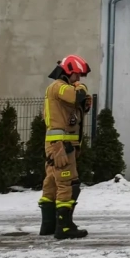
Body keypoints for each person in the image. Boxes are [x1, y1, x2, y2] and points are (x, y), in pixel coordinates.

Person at [39, 54, 93, 239]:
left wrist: (83, 106)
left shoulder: (57, 90)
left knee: (52, 183)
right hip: (61, 146)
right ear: (68, 71)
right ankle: (64, 227)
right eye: (77, 75)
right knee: (68, 183)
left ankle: (48, 225)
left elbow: (72, 112)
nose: (78, 80)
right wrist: (82, 90)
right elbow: (77, 94)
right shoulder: (59, 87)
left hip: (58, 144)